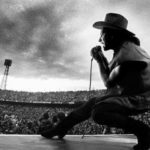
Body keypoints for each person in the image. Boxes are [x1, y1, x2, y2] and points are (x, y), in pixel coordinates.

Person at [41, 13, 150, 150]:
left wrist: (99, 60)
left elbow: (108, 82)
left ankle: (142, 130)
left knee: (99, 112)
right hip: (134, 92)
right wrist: (102, 59)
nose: (100, 39)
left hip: (140, 98)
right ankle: (61, 128)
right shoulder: (127, 48)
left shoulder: (126, 56)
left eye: (102, 34)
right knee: (93, 102)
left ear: (112, 35)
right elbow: (112, 74)